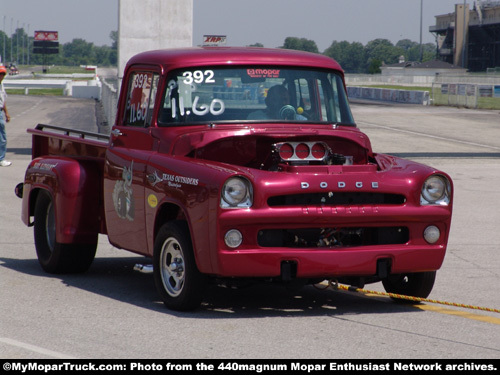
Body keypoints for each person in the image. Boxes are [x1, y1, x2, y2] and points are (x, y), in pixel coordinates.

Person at [0, 65, 12, 167]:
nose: (2, 76)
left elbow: (3, 101)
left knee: (2, 137)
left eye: (3, 74)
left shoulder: (1, 85)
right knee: (2, 136)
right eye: (0, 74)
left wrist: (6, 113)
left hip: (0, 112)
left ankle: (1, 158)